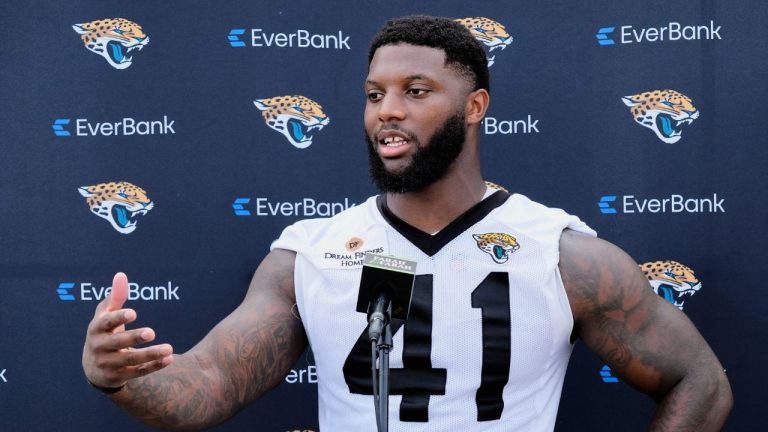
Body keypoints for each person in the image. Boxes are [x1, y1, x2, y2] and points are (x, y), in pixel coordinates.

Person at [82, 15, 733, 431]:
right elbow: (210, 384)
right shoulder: (309, 254)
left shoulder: (564, 255)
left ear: (474, 106)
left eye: (415, 91)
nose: (386, 111)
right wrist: (118, 377)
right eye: (374, 94)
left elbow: (701, 383)